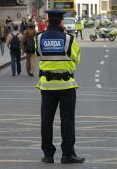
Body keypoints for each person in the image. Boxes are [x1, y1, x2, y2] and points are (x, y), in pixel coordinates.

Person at [35, 10, 85, 164]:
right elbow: (76, 60)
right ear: (61, 22)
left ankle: (48, 154)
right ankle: (68, 154)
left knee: (46, 120)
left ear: (48, 21)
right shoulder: (69, 39)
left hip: (47, 86)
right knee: (67, 120)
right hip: (66, 85)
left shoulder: (40, 37)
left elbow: (38, 55)